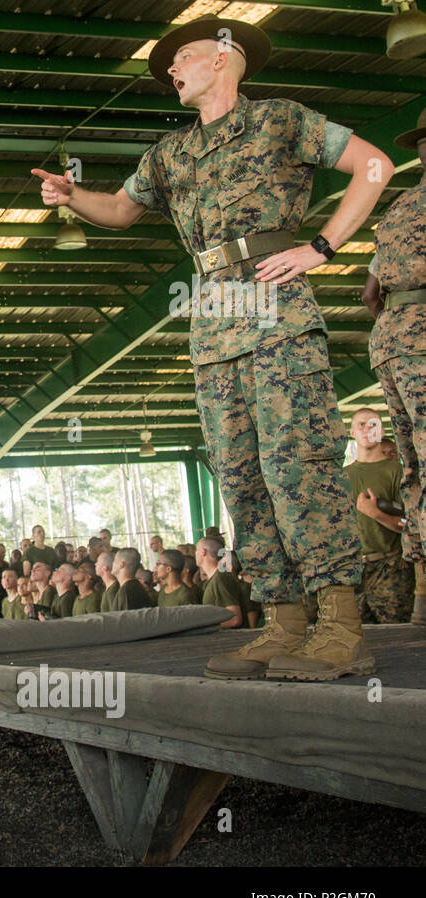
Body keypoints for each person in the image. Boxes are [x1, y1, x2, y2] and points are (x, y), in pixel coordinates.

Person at [36, 14, 389, 681]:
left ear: (224, 57)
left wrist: (321, 247)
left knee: (298, 468)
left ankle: (342, 627)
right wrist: (73, 196)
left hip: (277, 315)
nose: (173, 68)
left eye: (184, 57)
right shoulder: (170, 153)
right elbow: (120, 210)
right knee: (242, 478)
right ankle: (283, 623)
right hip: (213, 327)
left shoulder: (281, 120)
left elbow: (375, 165)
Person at [362, 108, 426, 626]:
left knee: (413, 466)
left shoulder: (398, 209)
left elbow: (370, 295)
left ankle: (423, 588)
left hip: (391, 341)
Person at [344, 409, 414, 623]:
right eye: (361, 425)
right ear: (352, 432)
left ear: (381, 432)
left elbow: (410, 524)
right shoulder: (343, 476)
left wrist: (375, 513)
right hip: (353, 571)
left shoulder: (398, 472)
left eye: (373, 425)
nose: (367, 429)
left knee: (396, 634)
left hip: (390, 568)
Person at [197, 538, 248, 637]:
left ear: (203, 551)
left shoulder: (221, 578)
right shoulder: (213, 580)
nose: (196, 554)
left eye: (197, 550)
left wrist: (205, 626)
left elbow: (234, 619)